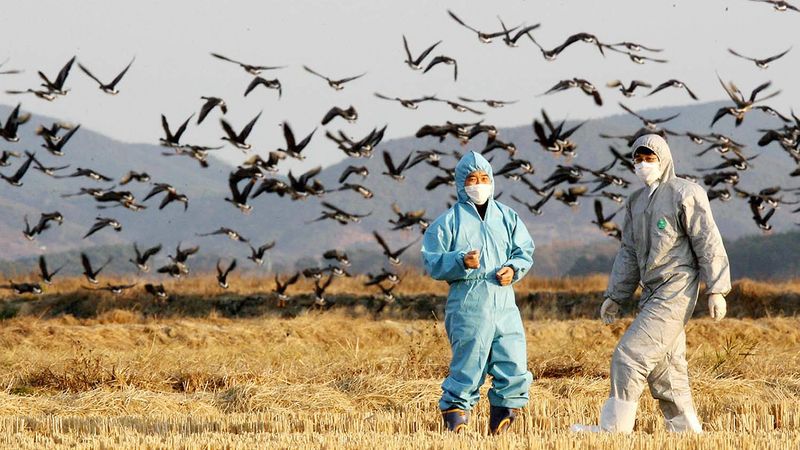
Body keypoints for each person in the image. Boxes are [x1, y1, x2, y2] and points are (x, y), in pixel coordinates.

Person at [573, 133, 731, 434]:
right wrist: (616, 295)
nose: (644, 164)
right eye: (639, 159)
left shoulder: (686, 193)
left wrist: (717, 288)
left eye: (650, 158)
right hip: (651, 291)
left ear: (664, 159)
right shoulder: (635, 202)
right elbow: (629, 252)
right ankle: (686, 432)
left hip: (676, 289)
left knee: (629, 356)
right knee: (666, 371)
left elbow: (707, 240)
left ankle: (614, 429)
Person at [421, 151, 535, 435]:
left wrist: (513, 268)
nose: (479, 184)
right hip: (469, 304)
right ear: (461, 183)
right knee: (468, 365)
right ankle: (455, 418)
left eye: (484, 178)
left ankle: (503, 421)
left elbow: (524, 251)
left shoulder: (507, 217)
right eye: (472, 179)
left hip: (505, 304)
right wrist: (460, 261)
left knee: (513, 362)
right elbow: (432, 261)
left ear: (492, 181)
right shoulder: (448, 222)